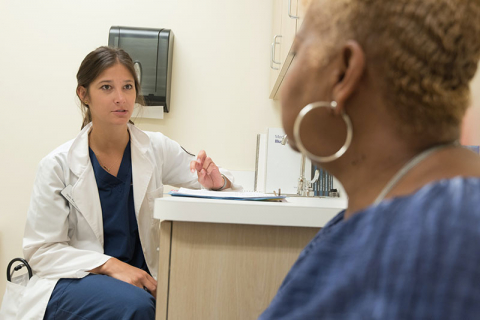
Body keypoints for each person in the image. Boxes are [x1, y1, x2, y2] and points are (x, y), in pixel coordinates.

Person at [260, 0, 480, 319]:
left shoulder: (432, 244)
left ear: (344, 72)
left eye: (296, 51)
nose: (290, 71)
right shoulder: (408, 209)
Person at [10, 46, 240, 319]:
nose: (120, 98)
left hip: (139, 280)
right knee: (138, 306)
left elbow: (216, 178)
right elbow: (41, 252)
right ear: (84, 94)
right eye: (107, 87)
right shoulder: (57, 165)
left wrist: (217, 181)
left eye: (127, 87)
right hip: (74, 278)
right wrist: (110, 265)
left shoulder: (154, 148)